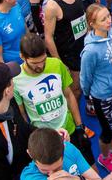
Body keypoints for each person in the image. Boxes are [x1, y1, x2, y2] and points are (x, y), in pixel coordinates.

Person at [12, 32, 92, 161]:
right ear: (22, 56)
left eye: (43, 60)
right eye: (35, 63)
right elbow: (23, 115)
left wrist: (79, 126)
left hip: (69, 129)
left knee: (89, 167)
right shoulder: (16, 81)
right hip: (45, 139)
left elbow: (69, 95)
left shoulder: (56, 64)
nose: (40, 66)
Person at [80, 3, 112, 171]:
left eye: (108, 16)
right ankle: (105, 157)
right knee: (107, 132)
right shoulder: (90, 51)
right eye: (103, 19)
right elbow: (85, 77)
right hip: (101, 96)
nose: (109, 21)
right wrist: (87, 97)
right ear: (92, 24)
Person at [43, 0, 88, 104]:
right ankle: (75, 120)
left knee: (87, 80)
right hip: (69, 54)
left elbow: (83, 17)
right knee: (76, 89)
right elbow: (48, 37)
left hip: (84, 46)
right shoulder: (52, 6)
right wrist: (59, 63)